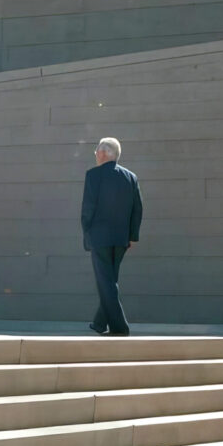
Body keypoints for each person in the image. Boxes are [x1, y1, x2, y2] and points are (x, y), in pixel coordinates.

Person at [81, 137, 143, 336]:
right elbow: (138, 209)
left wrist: (87, 232)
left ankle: (120, 327)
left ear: (103, 153)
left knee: (105, 282)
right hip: (121, 239)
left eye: (96, 152)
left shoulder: (93, 175)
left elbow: (88, 208)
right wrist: (132, 236)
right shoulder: (130, 177)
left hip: (100, 238)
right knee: (110, 281)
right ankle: (100, 322)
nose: (96, 155)